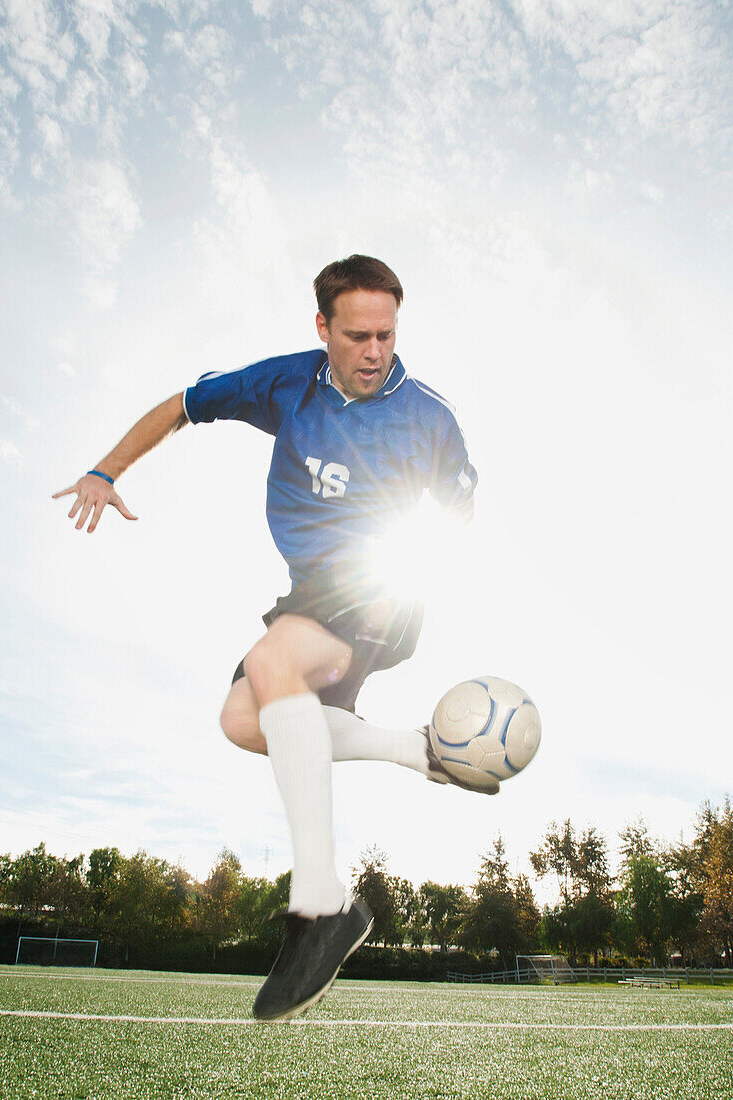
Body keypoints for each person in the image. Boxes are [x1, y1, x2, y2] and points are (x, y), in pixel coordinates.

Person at [53, 255, 485, 1021]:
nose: (374, 351)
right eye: (357, 335)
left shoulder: (429, 418)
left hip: (381, 589)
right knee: (243, 720)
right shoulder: (287, 383)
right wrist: (104, 470)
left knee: (271, 660)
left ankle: (321, 906)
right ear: (323, 328)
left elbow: (456, 519)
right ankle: (415, 750)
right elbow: (183, 404)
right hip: (311, 593)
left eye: (386, 334)